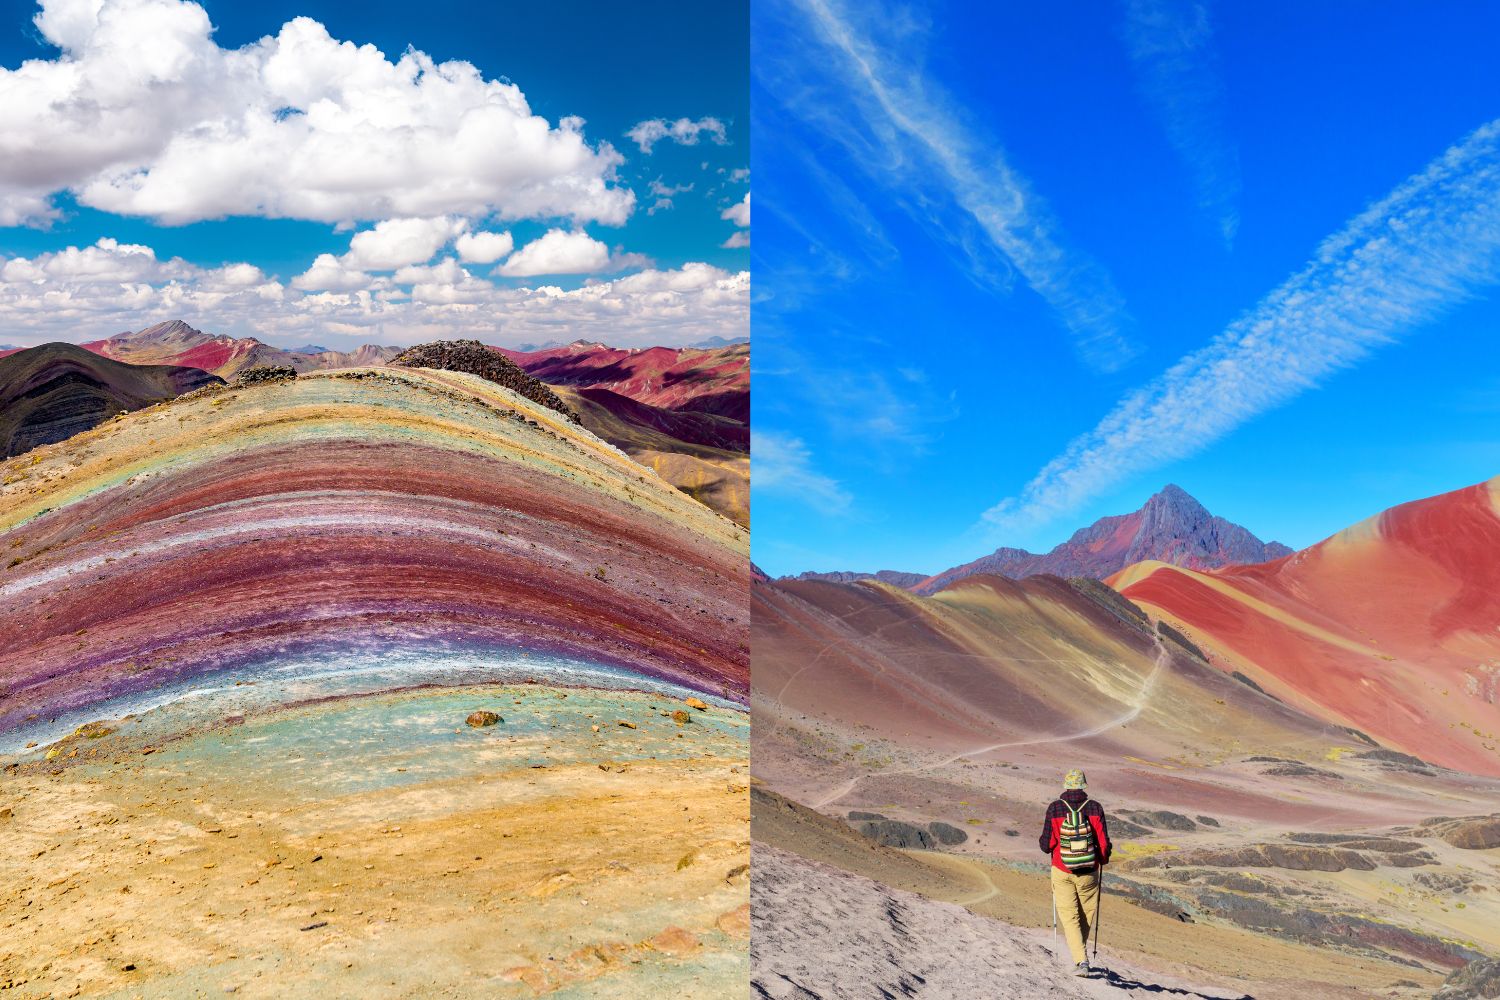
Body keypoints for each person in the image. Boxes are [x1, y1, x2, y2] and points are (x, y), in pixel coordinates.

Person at [1039, 768, 1111, 976]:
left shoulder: (1055, 808)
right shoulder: (1096, 808)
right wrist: (1102, 860)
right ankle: (1082, 957)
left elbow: (1046, 844)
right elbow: (1104, 843)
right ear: (1083, 786)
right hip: (1089, 871)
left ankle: (1081, 961)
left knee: (1069, 917)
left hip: (1062, 870)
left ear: (1066, 785)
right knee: (1086, 914)